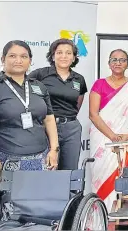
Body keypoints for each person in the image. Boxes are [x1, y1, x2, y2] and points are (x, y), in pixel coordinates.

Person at [0, 40, 60, 196]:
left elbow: (49, 119)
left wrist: (53, 150)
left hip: (40, 160)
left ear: (30, 61)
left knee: (38, 208)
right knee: (6, 213)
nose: (18, 60)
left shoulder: (38, 87)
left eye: (24, 56)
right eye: (12, 56)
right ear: (3, 59)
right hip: (6, 162)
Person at [89, 49, 128, 212]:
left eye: (122, 60)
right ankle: (99, 217)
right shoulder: (99, 84)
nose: (118, 63)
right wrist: (113, 137)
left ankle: (122, 216)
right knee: (101, 176)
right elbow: (93, 114)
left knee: (126, 176)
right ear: (109, 63)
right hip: (103, 140)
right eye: (114, 60)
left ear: (127, 64)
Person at [28, 38, 88, 170]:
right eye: (59, 52)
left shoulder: (79, 79)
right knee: (48, 168)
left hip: (71, 128)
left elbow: (77, 104)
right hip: (46, 127)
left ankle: (68, 192)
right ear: (53, 56)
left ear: (73, 57)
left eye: (68, 53)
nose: (64, 56)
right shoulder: (39, 74)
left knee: (69, 170)